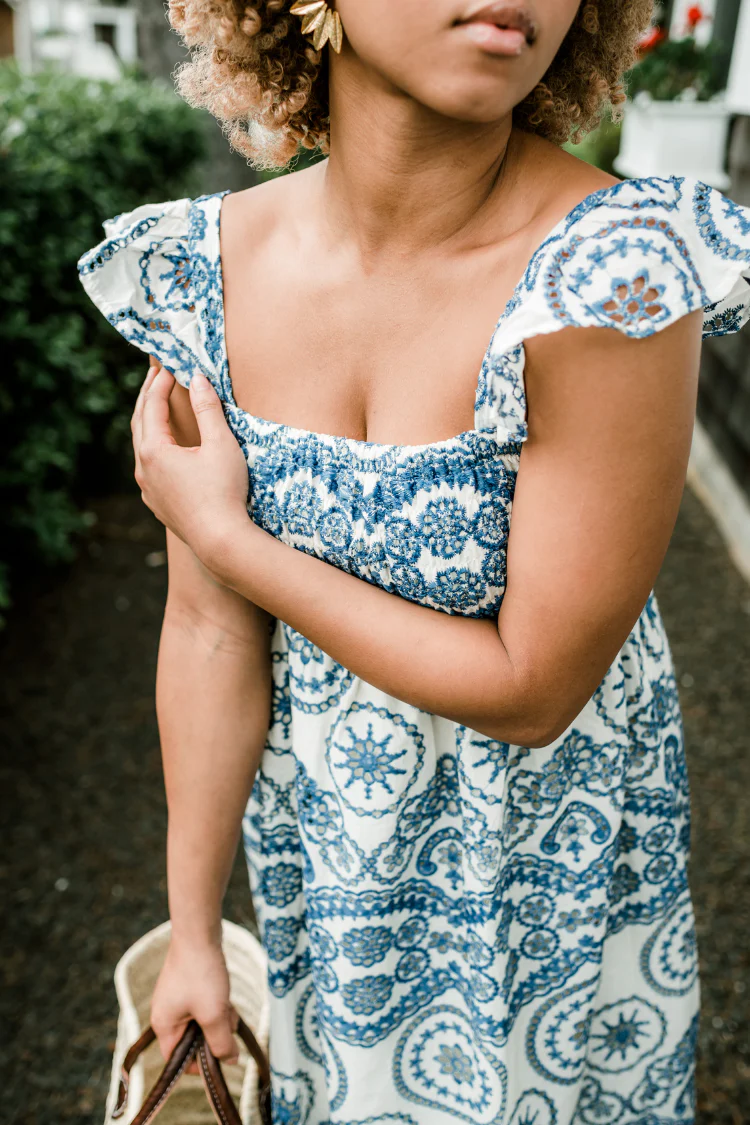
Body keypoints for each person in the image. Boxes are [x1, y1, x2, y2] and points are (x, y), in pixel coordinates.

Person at [78, 1, 750, 1121]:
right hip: (325, 877)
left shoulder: (610, 270)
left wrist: (229, 536)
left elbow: (533, 691)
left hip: (551, 882)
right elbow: (207, 628)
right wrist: (194, 933)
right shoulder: (201, 265)